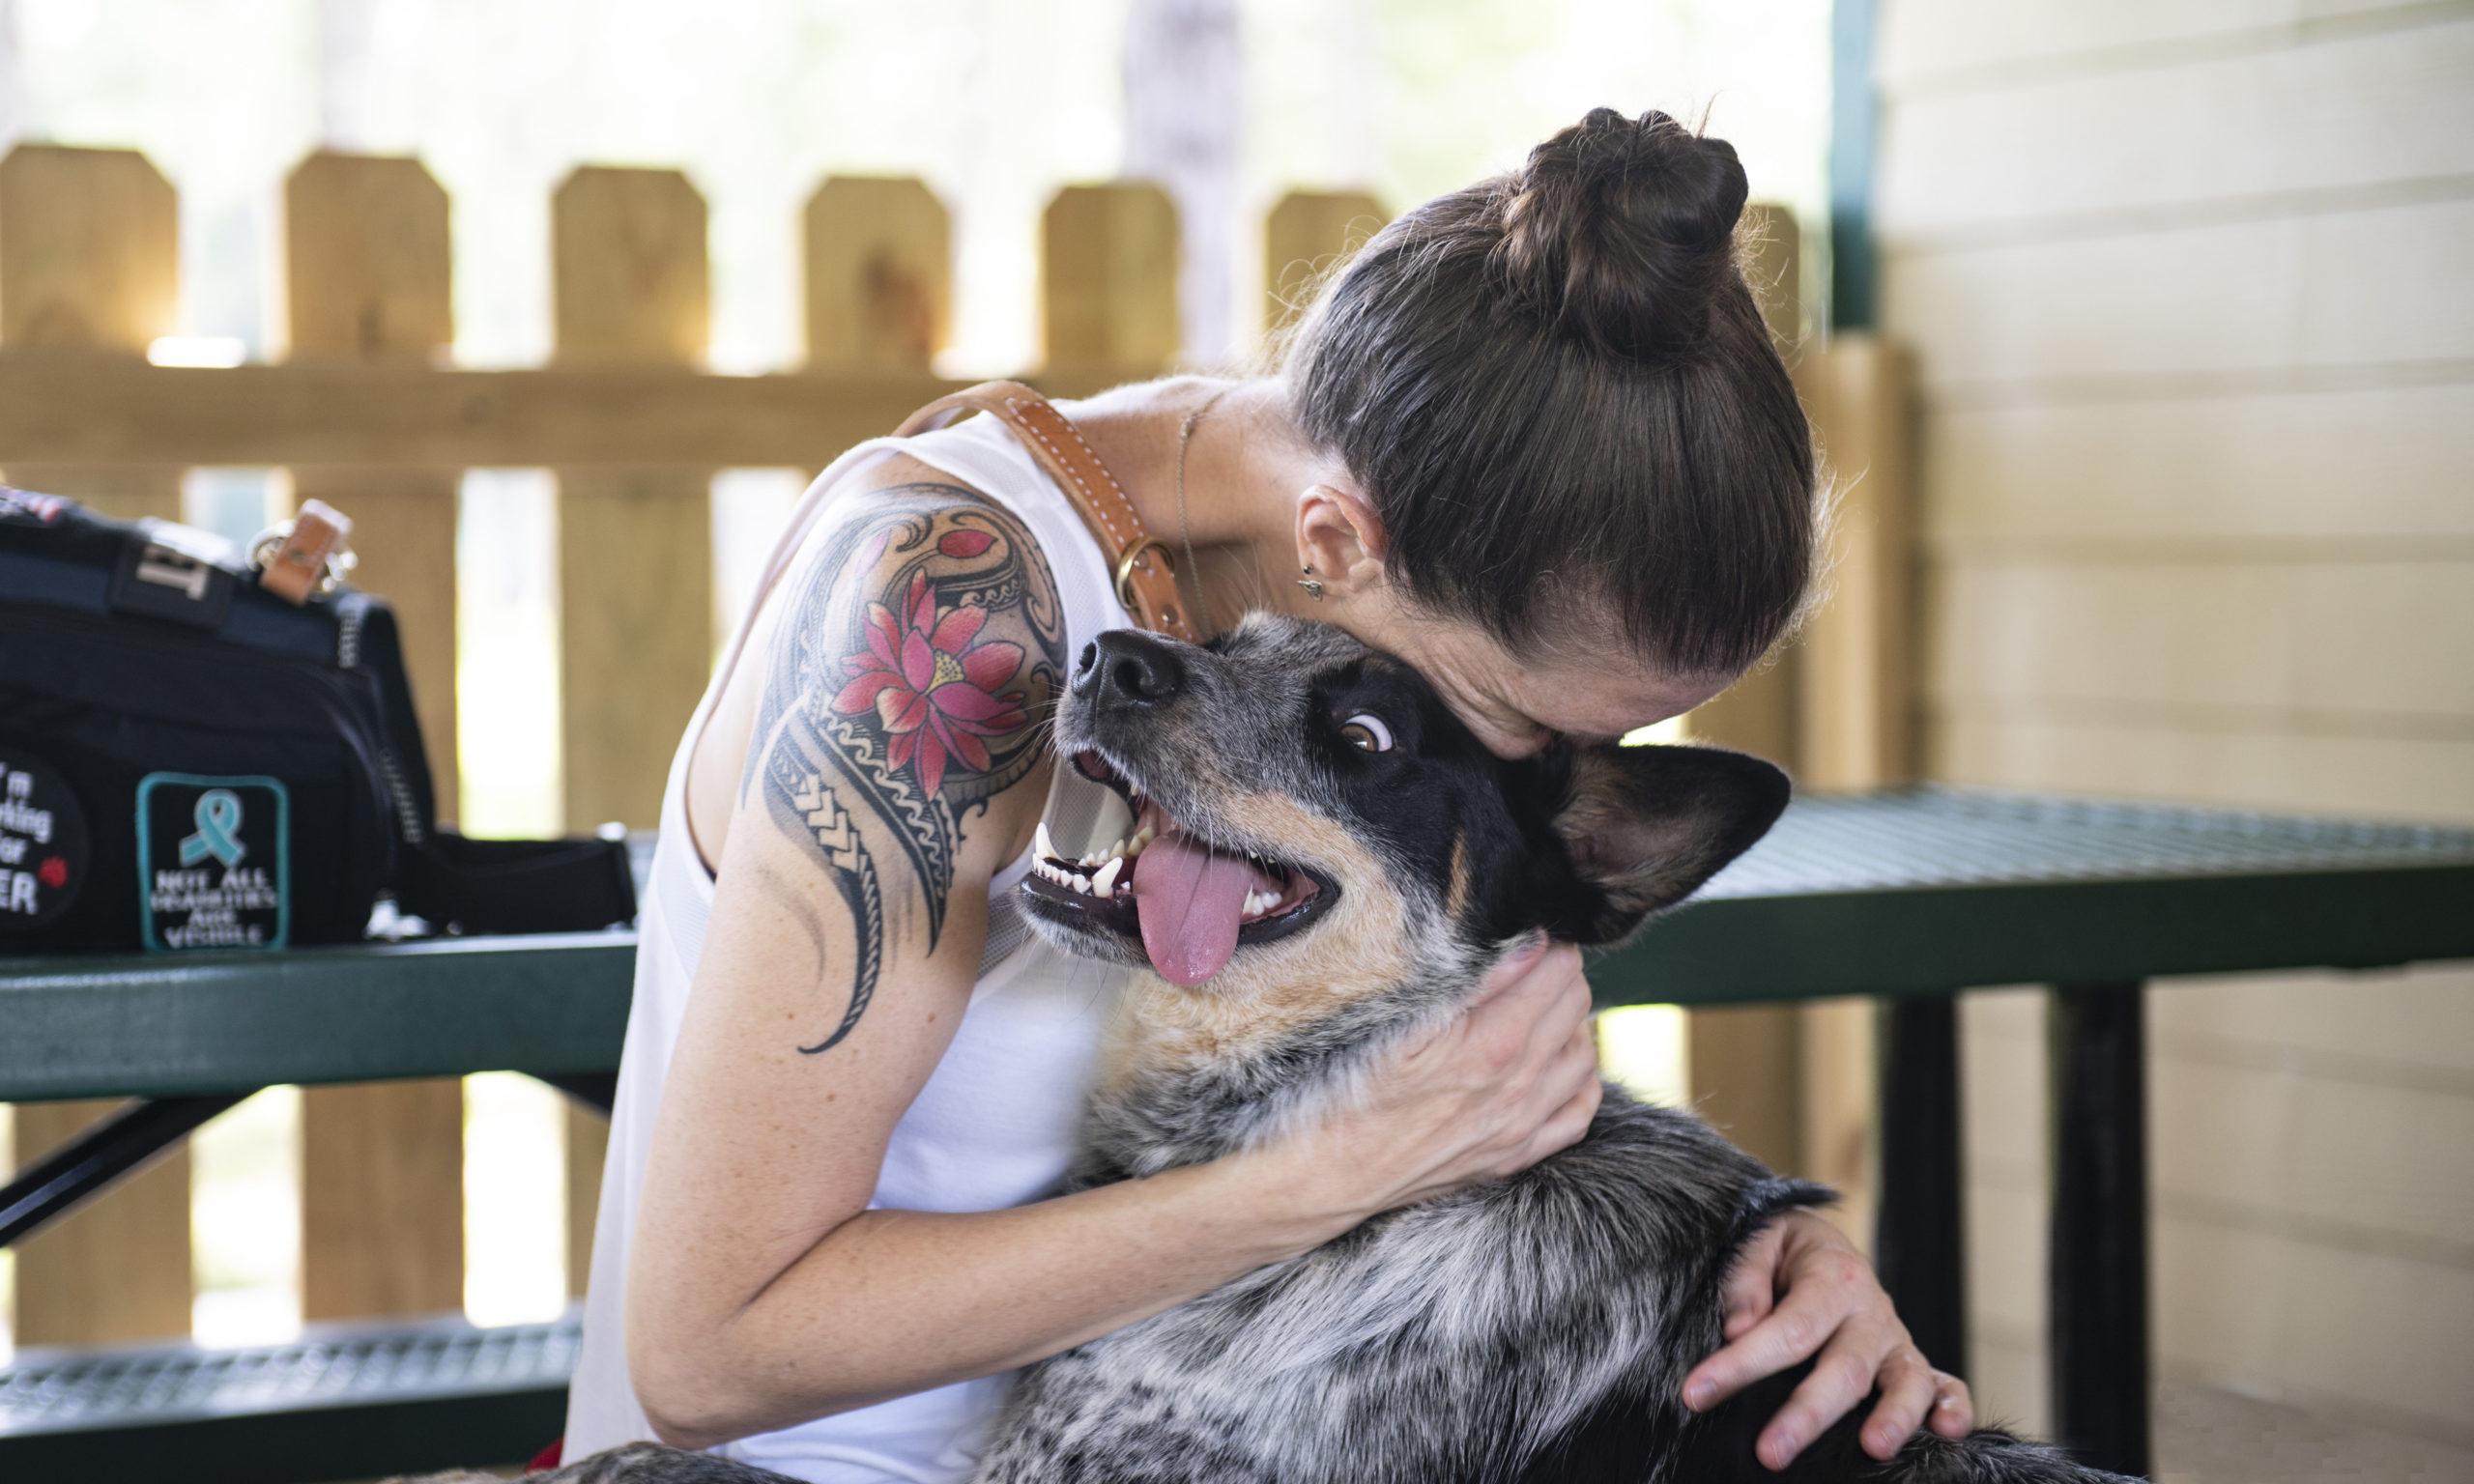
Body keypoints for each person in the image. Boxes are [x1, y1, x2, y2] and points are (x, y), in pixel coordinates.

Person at [565, 107, 1975, 1481]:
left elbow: (1442, 1113)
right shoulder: (946, 609)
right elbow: (709, 1354)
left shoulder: (1309, 653)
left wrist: (1743, 1273)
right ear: (1338, 542)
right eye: (1522, 726)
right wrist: (1324, 1180)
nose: (1542, 794)